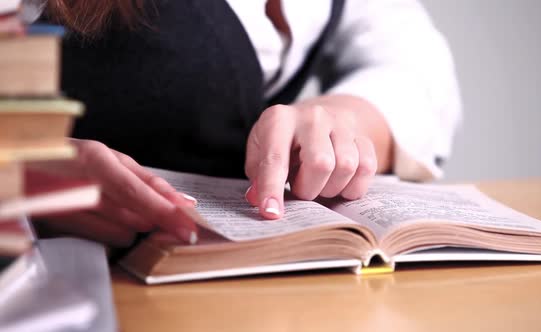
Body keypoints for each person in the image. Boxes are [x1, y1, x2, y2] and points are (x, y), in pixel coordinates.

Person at [30, 0, 461, 248]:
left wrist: (343, 118)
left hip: (244, 284)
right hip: (68, 285)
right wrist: (18, 173)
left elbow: (412, 63)